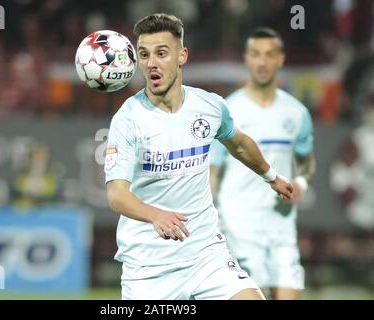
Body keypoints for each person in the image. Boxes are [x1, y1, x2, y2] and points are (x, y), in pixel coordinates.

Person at [104, 14, 293, 300]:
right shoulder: (128, 119)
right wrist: (156, 215)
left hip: (205, 255)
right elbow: (117, 194)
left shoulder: (210, 106)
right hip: (149, 267)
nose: (151, 63)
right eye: (144, 55)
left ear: (182, 56)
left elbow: (240, 144)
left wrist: (271, 176)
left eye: (161, 53)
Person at [209, 27, 316, 300]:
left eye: (269, 55)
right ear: (246, 59)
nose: (262, 62)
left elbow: (307, 162)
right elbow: (213, 172)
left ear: (280, 59)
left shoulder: (297, 113)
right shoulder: (229, 110)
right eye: (255, 54)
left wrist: (301, 183)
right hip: (238, 227)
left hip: (282, 229)